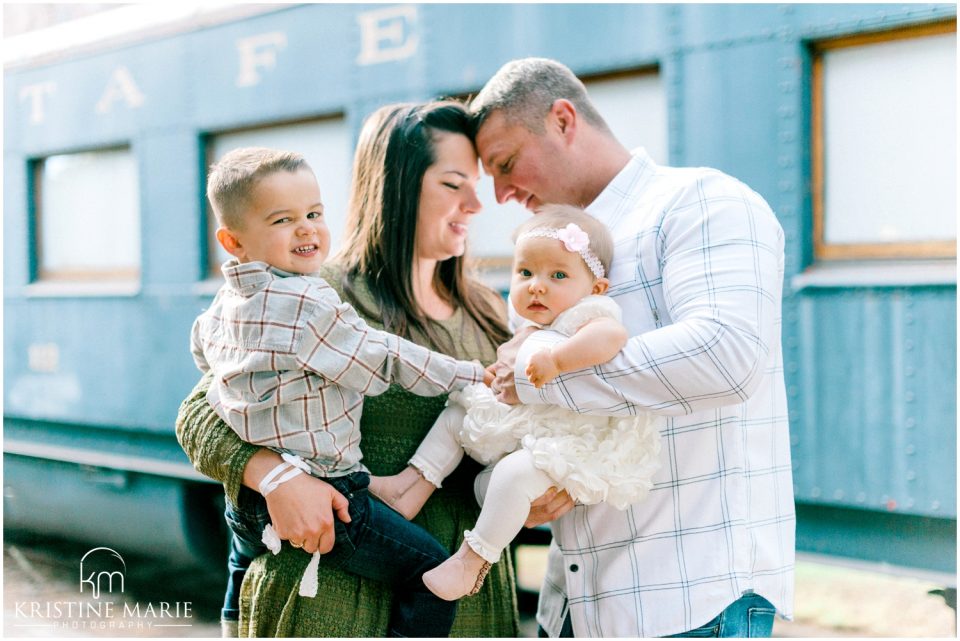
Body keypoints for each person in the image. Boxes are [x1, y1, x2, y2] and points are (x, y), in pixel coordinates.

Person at [468, 58, 795, 638]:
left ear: (563, 120)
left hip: (693, 604)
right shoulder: (548, 261)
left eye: (506, 163)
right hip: (571, 607)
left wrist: (537, 377)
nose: (500, 193)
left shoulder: (705, 203)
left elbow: (724, 356)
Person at [175, 101, 520, 637]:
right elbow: (198, 416)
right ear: (397, 186)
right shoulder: (312, 292)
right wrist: (275, 476)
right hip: (334, 603)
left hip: (470, 603)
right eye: (454, 184)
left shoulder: (489, 311)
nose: (477, 203)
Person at [371, 205, 661, 601]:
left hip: (569, 439)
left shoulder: (590, 314)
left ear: (595, 289)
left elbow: (611, 338)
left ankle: (472, 561)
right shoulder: (532, 324)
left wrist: (558, 360)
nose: (537, 286)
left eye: (558, 275)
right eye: (526, 273)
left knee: (513, 475)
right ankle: (410, 486)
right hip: (532, 423)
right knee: (460, 411)